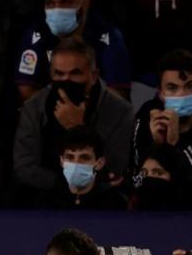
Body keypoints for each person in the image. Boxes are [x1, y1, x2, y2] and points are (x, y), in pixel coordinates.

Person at [13, 38, 133, 206]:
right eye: (59, 74)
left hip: (100, 198)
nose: (66, 80)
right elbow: (24, 167)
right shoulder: (34, 107)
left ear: (93, 76)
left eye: (75, 73)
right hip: (46, 194)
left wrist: (78, 128)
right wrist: (63, 187)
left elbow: (114, 169)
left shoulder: (120, 110)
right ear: (51, 75)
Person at [14, 0, 131, 102]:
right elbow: (26, 89)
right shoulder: (37, 32)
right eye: (50, 4)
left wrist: (81, 112)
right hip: (48, 113)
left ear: (84, 3)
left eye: (65, 2)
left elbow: (119, 95)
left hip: (98, 116)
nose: (57, 10)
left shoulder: (108, 35)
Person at [130, 49, 192, 185]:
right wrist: (157, 146)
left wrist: (174, 146)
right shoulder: (148, 114)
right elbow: (135, 181)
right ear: (160, 93)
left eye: (190, 86)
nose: (182, 94)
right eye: (172, 88)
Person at [50, 125, 128, 209]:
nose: (76, 163)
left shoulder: (114, 203)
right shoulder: (48, 202)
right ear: (62, 161)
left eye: (84, 158)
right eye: (70, 157)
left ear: (99, 163)